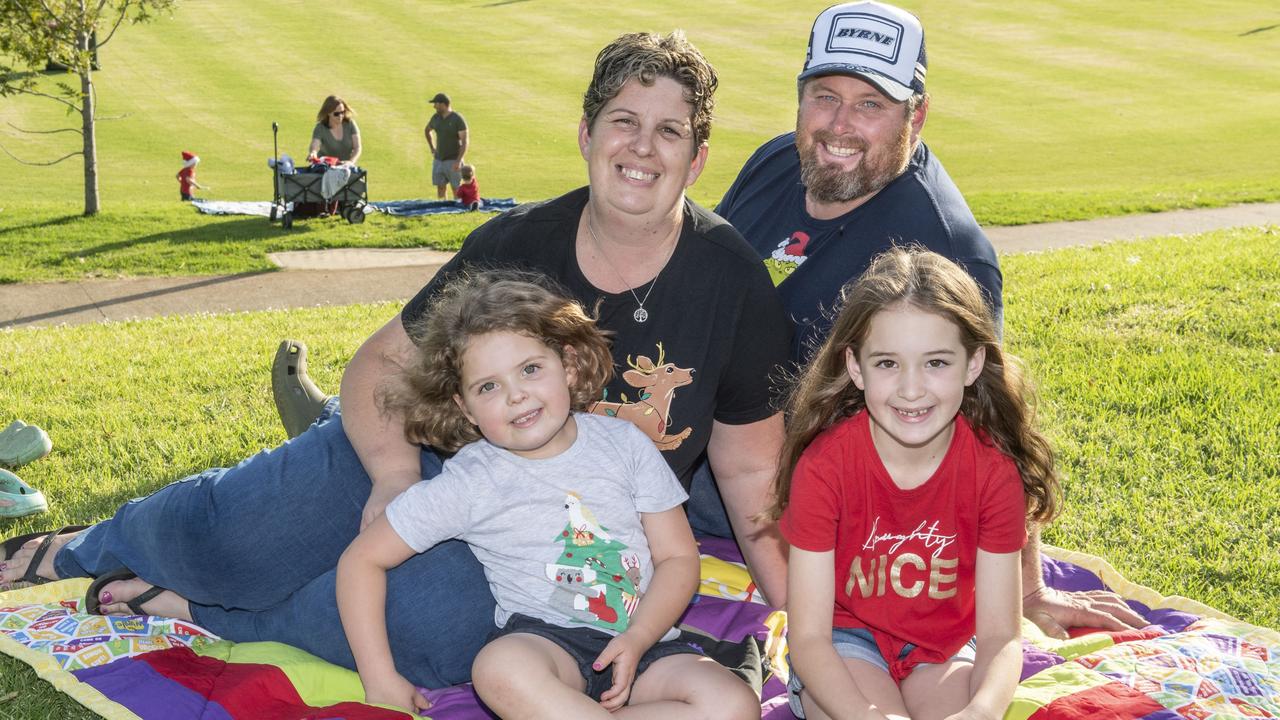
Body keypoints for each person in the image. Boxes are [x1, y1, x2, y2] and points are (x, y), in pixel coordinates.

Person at [0, 30, 791, 690]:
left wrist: (810, 625)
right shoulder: (516, 244)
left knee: (436, 636)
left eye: (669, 130)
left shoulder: (732, 282)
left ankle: (194, 611)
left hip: (538, 546)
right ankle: (81, 547)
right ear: (586, 135)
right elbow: (381, 366)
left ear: (698, 156)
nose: (641, 148)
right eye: (623, 121)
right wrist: (394, 480)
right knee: (237, 543)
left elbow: (752, 477)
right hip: (424, 453)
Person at [715, 0, 1144, 638]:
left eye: (871, 105)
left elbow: (985, 415)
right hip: (706, 453)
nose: (839, 126)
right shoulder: (775, 162)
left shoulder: (941, 248)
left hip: (793, 503)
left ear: (917, 115)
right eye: (824, 96)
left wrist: (1024, 588)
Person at [337, 272, 758, 717]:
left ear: (569, 366)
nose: (516, 396)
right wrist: (379, 676)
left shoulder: (626, 444)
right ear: (466, 409)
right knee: (498, 669)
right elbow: (361, 560)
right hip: (546, 647)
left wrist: (638, 638)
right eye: (488, 387)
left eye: (530, 369)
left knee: (734, 704)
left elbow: (677, 557)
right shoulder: (470, 482)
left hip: (646, 643)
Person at [774, 247, 1055, 720]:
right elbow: (808, 639)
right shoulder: (825, 467)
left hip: (941, 649)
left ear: (972, 364)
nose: (911, 388)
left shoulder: (992, 471)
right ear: (856, 367)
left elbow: (1000, 636)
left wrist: (982, 711)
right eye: (887, 363)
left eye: (936, 363)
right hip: (843, 642)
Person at [425, 92, 468, 199]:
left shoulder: (457, 119)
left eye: (436, 104)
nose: (434, 106)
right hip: (439, 160)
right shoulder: (436, 118)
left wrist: (458, 161)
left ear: (443, 104)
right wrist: (432, 148)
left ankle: (458, 210)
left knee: (456, 189)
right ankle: (442, 209)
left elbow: (465, 142)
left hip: (453, 160)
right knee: (440, 187)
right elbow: (427, 130)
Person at [308, 95, 362, 165]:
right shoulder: (320, 127)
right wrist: (313, 153)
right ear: (328, 113)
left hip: (345, 167)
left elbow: (357, 147)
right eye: (336, 114)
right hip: (325, 167)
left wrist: (351, 162)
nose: (340, 116)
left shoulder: (350, 124)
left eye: (342, 112)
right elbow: (314, 145)